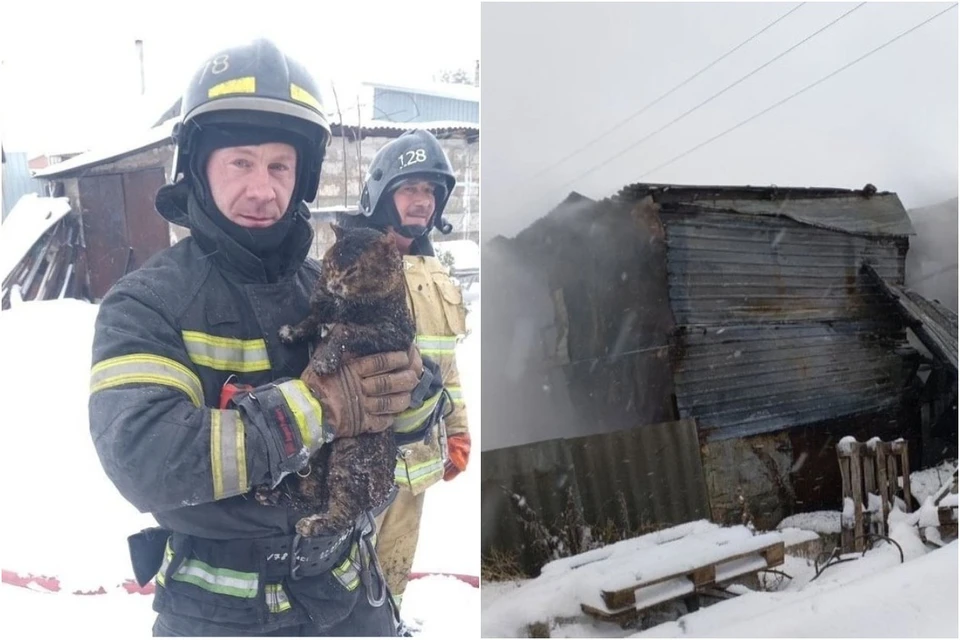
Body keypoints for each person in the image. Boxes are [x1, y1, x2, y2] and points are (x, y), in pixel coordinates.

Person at [88, 39, 436, 637]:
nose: (262, 189)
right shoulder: (149, 302)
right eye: (240, 162)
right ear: (198, 166)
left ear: (302, 177)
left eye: (280, 166)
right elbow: (143, 457)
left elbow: (407, 429)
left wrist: (412, 389)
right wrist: (312, 408)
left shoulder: (330, 286)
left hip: (350, 596)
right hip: (220, 610)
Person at [340, 129, 472, 624]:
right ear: (382, 193)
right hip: (362, 464)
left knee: (394, 569)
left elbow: (448, 363)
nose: (422, 202)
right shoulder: (358, 265)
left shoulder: (432, 270)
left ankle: (389, 624)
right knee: (344, 576)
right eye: (410, 188)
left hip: (416, 465)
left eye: (431, 192)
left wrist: (457, 429)